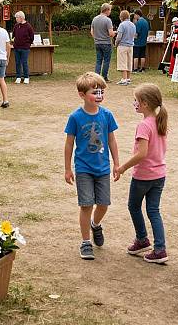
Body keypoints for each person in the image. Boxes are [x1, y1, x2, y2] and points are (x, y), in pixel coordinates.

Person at [64, 72, 119, 260]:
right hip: (83, 169)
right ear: (82, 95)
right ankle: (86, 242)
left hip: (103, 168)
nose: (99, 96)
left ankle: (96, 224)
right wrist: (67, 168)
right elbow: (69, 143)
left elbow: (111, 140)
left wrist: (117, 164)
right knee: (86, 205)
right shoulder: (75, 117)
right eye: (95, 92)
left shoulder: (107, 115)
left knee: (103, 204)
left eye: (101, 91)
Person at [114, 83, 169, 264]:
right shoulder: (159, 122)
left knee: (134, 206)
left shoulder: (144, 125)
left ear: (144, 104)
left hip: (143, 176)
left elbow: (142, 153)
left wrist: (122, 168)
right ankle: (160, 249)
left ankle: (142, 239)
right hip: (159, 175)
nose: (134, 103)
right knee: (154, 210)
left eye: (136, 101)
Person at [90, 4, 116, 82]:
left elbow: (92, 31)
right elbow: (111, 34)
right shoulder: (108, 20)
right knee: (106, 60)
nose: (110, 12)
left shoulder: (95, 19)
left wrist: (96, 38)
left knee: (98, 60)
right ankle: (104, 77)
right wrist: (115, 32)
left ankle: (96, 77)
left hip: (97, 43)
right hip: (106, 43)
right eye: (110, 10)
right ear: (107, 10)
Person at [12, 11, 35, 84]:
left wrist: (28, 44)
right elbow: (13, 35)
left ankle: (26, 77)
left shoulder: (28, 26)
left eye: (17, 18)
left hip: (25, 48)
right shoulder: (16, 26)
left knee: (24, 62)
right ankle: (18, 77)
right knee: (17, 62)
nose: (16, 19)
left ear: (21, 18)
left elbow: (32, 37)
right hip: (16, 47)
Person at [115, 10, 136, 85]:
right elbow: (134, 35)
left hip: (123, 45)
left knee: (123, 62)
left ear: (122, 17)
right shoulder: (133, 25)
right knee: (129, 61)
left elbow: (119, 36)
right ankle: (128, 78)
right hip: (130, 45)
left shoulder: (122, 25)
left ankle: (124, 79)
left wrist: (116, 44)